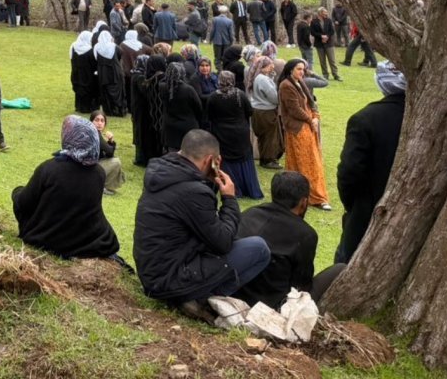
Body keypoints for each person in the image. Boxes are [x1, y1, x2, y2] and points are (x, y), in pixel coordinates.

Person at [134, 130, 270, 321]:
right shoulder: (193, 191)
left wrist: (210, 181)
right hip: (170, 279)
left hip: (153, 272)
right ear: (210, 161)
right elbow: (222, 241)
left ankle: (194, 295)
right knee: (258, 248)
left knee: (235, 241)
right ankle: (200, 299)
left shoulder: (165, 173)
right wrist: (229, 199)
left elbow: (203, 222)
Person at [12, 116, 121, 259]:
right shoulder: (98, 172)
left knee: (19, 194)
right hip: (91, 240)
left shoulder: (50, 169)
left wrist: (17, 193)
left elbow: (25, 203)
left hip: (48, 238)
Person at [335, 61, 406, 263]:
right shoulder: (428, 118)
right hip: (407, 209)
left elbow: (349, 171)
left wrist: (355, 204)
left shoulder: (366, 118)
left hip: (368, 210)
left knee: (348, 263)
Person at [234, 172, 320, 310]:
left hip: (235, 294)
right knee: (339, 269)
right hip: (274, 305)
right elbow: (301, 285)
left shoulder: (250, 213)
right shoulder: (305, 234)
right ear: (304, 202)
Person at [278, 59, 331, 210]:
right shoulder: (286, 85)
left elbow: (307, 103)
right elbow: (294, 109)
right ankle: (316, 197)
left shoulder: (299, 82)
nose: (302, 72)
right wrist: (310, 119)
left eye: (303, 69)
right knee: (307, 162)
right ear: (290, 70)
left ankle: (301, 194)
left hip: (306, 125)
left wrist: (314, 115)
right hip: (298, 128)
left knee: (306, 161)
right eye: (299, 69)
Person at [205, 72, 262, 199]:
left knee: (226, 160)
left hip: (221, 132)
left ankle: (233, 188)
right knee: (244, 158)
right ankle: (249, 188)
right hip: (240, 131)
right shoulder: (239, 95)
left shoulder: (213, 97)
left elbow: (209, 116)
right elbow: (250, 111)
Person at [247, 56, 284, 170]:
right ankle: (268, 160)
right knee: (270, 137)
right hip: (266, 112)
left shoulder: (259, 77)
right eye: (269, 65)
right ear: (263, 67)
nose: (272, 66)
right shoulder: (262, 79)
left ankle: (265, 158)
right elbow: (273, 97)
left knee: (264, 137)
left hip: (259, 111)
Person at [160, 63, 203, 153]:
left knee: (173, 154)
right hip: (187, 126)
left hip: (170, 127)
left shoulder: (163, 87)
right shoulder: (188, 90)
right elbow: (198, 107)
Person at [132, 55, 166, 167]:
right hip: (149, 113)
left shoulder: (148, 78)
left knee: (145, 135)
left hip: (144, 112)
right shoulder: (146, 79)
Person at [95, 31, 128, 117]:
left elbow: (95, 58)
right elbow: (120, 54)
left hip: (103, 72)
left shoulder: (97, 47)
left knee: (106, 91)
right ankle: (119, 110)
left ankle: (109, 110)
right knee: (117, 90)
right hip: (115, 71)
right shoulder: (114, 46)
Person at [92, 112, 125, 194]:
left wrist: (111, 142)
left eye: (102, 121)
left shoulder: (94, 133)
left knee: (113, 161)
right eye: (97, 120)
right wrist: (111, 141)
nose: (99, 123)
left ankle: (102, 186)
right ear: (91, 122)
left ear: (105, 124)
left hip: (89, 167)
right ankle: (102, 187)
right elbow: (110, 152)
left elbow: (109, 155)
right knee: (116, 162)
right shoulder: (95, 134)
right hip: (89, 169)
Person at [70, 28, 99, 114]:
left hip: (76, 73)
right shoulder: (90, 50)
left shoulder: (74, 48)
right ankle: (87, 107)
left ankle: (79, 106)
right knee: (88, 90)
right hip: (87, 75)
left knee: (79, 90)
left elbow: (71, 59)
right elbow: (94, 63)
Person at [310, 8, 341, 81]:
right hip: (319, 44)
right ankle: (325, 74)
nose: (326, 14)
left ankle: (335, 74)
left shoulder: (328, 20)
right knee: (322, 60)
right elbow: (312, 32)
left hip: (329, 43)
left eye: (326, 12)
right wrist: (321, 36)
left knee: (332, 60)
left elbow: (332, 31)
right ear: (320, 13)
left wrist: (327, 36)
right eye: (324, 12)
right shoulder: (314, 22)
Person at [210, 5, 234, 70]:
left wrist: (210, 39)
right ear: (226, 12)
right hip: (227, 42)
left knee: (217, 57)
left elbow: (212, 30)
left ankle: (219, 70)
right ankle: (224, 69)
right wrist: (232, 41)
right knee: (225, 57)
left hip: (217, 41)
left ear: (219, 11)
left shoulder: (215, 19)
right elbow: (231, 33)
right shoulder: (229, 21)